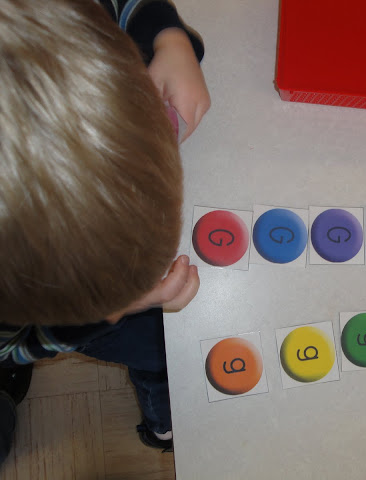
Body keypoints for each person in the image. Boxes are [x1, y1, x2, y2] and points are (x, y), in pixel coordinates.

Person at [0, 0, 210, 454]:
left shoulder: (62, 18)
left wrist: (168, 37)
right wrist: (112, 312)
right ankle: (162, 425)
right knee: (158, 355)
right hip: (88, 325)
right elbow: (14, 347)